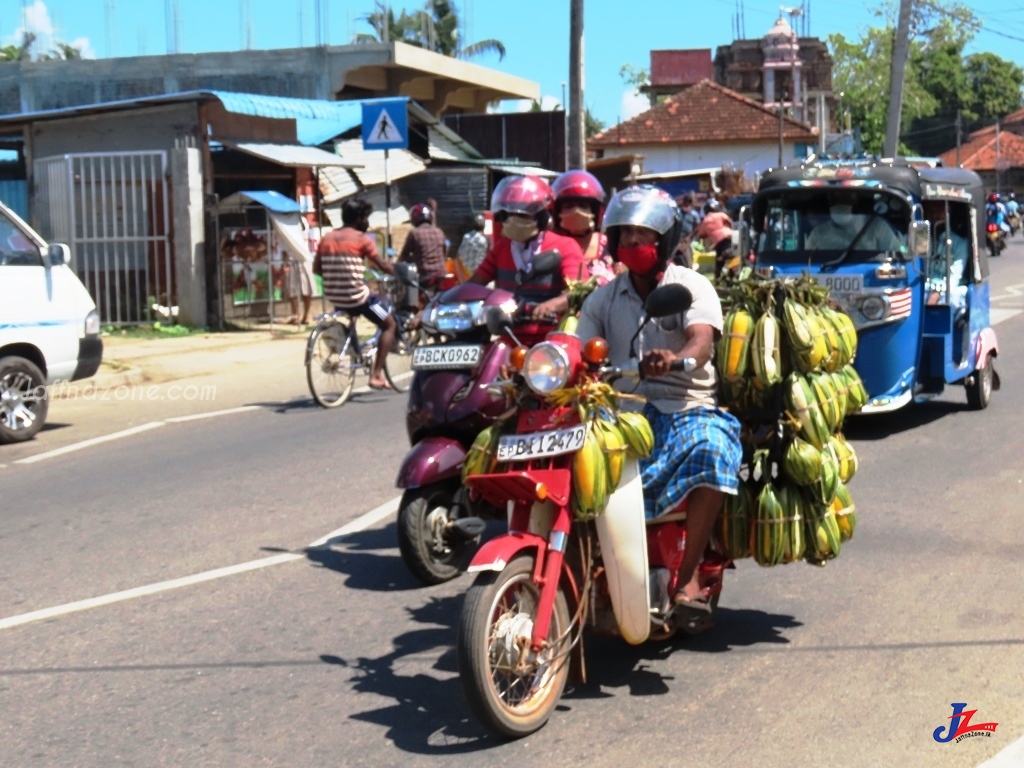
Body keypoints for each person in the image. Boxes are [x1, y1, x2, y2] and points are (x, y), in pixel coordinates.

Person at [575, 185, 742, 623]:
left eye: (642, 235)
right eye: (624, 235)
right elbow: (580, 349)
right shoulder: (603, 298)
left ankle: (687, 579)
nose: (632, 244)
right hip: (622, 410)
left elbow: (702, 341)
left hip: (685, 405)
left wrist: (677, 358)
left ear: (665, 241)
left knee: (715, 449)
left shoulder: (692, 286)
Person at [468, 175, 584, 344]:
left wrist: (551, 305)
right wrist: (438, 304)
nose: (516, 218)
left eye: (524, 214)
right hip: (508, 339)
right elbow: (474, 284)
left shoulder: (565, 246)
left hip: (550, 343)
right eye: (511, 213)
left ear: (542, 216)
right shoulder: (502, 247)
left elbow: (579, 293)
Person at [313, 197, 397, 391]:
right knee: (389, 324)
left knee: (358, 307)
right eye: (366, 217)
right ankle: (376, 375)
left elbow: (317, 269)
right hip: (357, 297)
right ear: (360, 218)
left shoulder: (327, 238)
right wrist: (398, 273)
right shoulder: (361, 240)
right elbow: (382, 265)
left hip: (335, 296)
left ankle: (355, 349)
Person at [551, 169, 614, 283]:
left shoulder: (611, 246)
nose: (576, 211)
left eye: (583, 206)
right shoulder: (547, 247)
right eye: (569, 206)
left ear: (596, 212)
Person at [806, 192, 902, 252]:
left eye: (845, 199)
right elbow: (806, 264)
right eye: (835, 199)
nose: (840, 204)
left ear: (855, 201)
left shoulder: (877, 225)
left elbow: (895, 255)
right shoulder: (818, 233)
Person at [923, 200, 970, 309]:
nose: (934, 214)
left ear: (948, 210)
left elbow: (954, 278)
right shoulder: (921, 239)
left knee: (949, 299)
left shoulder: (960, 243)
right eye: (930, 210)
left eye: (939, 209)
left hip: (948, 290)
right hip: (924, 288)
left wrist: (936, 293)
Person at [398, 203, 448, 291]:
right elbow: (445, 250)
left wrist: (409, 260)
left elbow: (404, 256)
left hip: (425, 277)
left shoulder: (414, 233)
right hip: (442, 275)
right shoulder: (439, 231)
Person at [694, 198, 734, 277]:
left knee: (721, 261)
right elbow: (730, 222)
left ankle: (719, 277)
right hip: (730, 236)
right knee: (728, 257)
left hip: (719, 241)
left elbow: (702, 234)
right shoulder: (721, 215)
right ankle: (730, 275)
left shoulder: (705, 221)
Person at [456, 213, 489, 281]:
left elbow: (458, 256)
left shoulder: (466, 237)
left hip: (465, 273)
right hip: (479, 275)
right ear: (484, 226)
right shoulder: (485, 240)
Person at [672, 193, 702, 267]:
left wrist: (689, 237)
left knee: (688, 255)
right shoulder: (678, 212)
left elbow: (698, 227)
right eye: (686, 201)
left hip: (688, 239)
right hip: (678, 238)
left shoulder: (694, 214)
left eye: (689, 202)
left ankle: (689, 268)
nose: (686, 204)